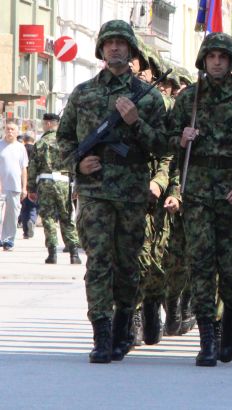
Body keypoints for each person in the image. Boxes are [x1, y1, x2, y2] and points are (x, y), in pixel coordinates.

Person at [56, 20, 169, 364]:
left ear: (132, 51)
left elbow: (163, 145)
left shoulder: (148, 97)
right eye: (110, 43)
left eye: (122, 43)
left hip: (132, 193)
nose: (116, 48)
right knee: (99, 263)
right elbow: (63, 140)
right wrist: (77, 163)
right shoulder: (83, 93)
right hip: (94, 194)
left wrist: (136, 121)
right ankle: (101, 334)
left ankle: (123, 327)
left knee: (127, 264)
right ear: (101, 50)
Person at [169, 33, 232, 366]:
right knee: (200, 266)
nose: (216, 62)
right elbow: (166, 141)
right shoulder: (188, 100)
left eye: (223, 57)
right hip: (197, 193)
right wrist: (181, 140)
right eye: (211, 56)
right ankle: (206, 338)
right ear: (203, 60)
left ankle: (229, 327)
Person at [27, 113, 81, 264]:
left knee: (48, 218)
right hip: (64, 182)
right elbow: (75, 163)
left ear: (50, 124)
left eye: (44, 123)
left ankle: (52, 254)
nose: (43, 125)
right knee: (66, 217)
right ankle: (74, 254)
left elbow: (32, 167)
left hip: (46, 183)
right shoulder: (66, 142)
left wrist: (31, 188)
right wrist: (77, 185)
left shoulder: (40, 143)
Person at [0, 119, 28, 251]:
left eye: (12, 129)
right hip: (1, 185)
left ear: (17, 132)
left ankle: (8, 240)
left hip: (15, 186)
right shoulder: (0, 145)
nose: (9, 131)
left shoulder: (21, 148)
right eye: (7, 129)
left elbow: (24, 169)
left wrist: (24, 187)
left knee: (12, 215)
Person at [19, 133, 38, 240]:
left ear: (24, 140)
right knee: (34, 206)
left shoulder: (21, 149)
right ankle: (32, 220)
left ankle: (26, 231)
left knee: (24, 207)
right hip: (34, 181)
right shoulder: (37, 149)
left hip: (22, 181)